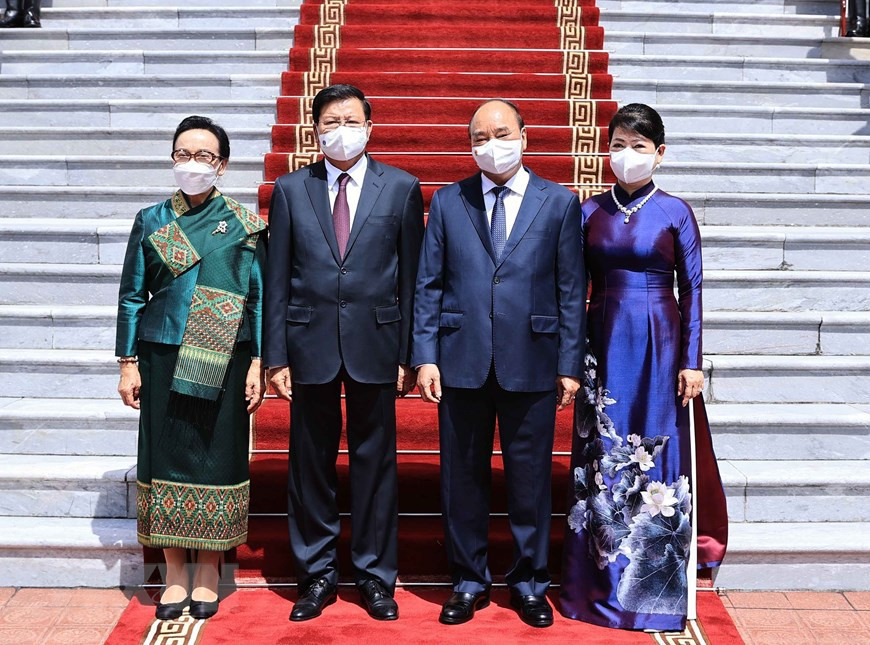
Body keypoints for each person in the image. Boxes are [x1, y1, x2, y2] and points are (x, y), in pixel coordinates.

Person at [413, 99, 586, 628]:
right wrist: (425, 356)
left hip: (531, 359)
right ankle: (467, 581)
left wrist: (569, 363)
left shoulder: (558, 202)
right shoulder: (448, 201)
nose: (491, 143)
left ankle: (530, 582)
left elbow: (571, 287)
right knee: (461, 477)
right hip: (460, 358)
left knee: (529, 480)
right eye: (479, 136)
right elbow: (429, 284)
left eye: (501, 132)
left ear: (524, 137)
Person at [559, 103, 728, 632]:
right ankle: (594, 583)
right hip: (603, 338)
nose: (626, 155)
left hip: (661, 336)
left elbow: (693, 288)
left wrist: (693, 361)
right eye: (618, 145)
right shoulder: (588, 212)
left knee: (654, 454)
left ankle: (655, 582)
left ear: (659, 153)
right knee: (604, 453)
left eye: (638, 146)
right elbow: (570, 289)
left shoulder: (675, 211)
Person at [263, 84, 424, 622]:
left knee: (375, 463)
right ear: (315, 130)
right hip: (307, 342)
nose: (340, 130)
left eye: (350, 120)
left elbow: (414, 277)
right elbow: (277, 278)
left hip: (377, 343)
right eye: (329, 122)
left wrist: (409, 352)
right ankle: (317, 574)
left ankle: (376, 577)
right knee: (310, 463)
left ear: (370, 125)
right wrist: (274, 355)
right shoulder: (290, 189)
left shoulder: (401, 188)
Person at [116, 115, 267, 621]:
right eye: (183, 154)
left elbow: (259, 301)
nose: (192, 164)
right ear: (172, 158)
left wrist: (259, 362)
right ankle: (174, 575)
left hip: (226, 356)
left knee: (216, 460)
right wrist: (127, 362)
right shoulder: (152, 218)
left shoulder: (243, 225)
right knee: (167, 463)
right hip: (160, 356)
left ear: (221, 165)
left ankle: (209, 575)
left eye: (203, 156)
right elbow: (132, 296)